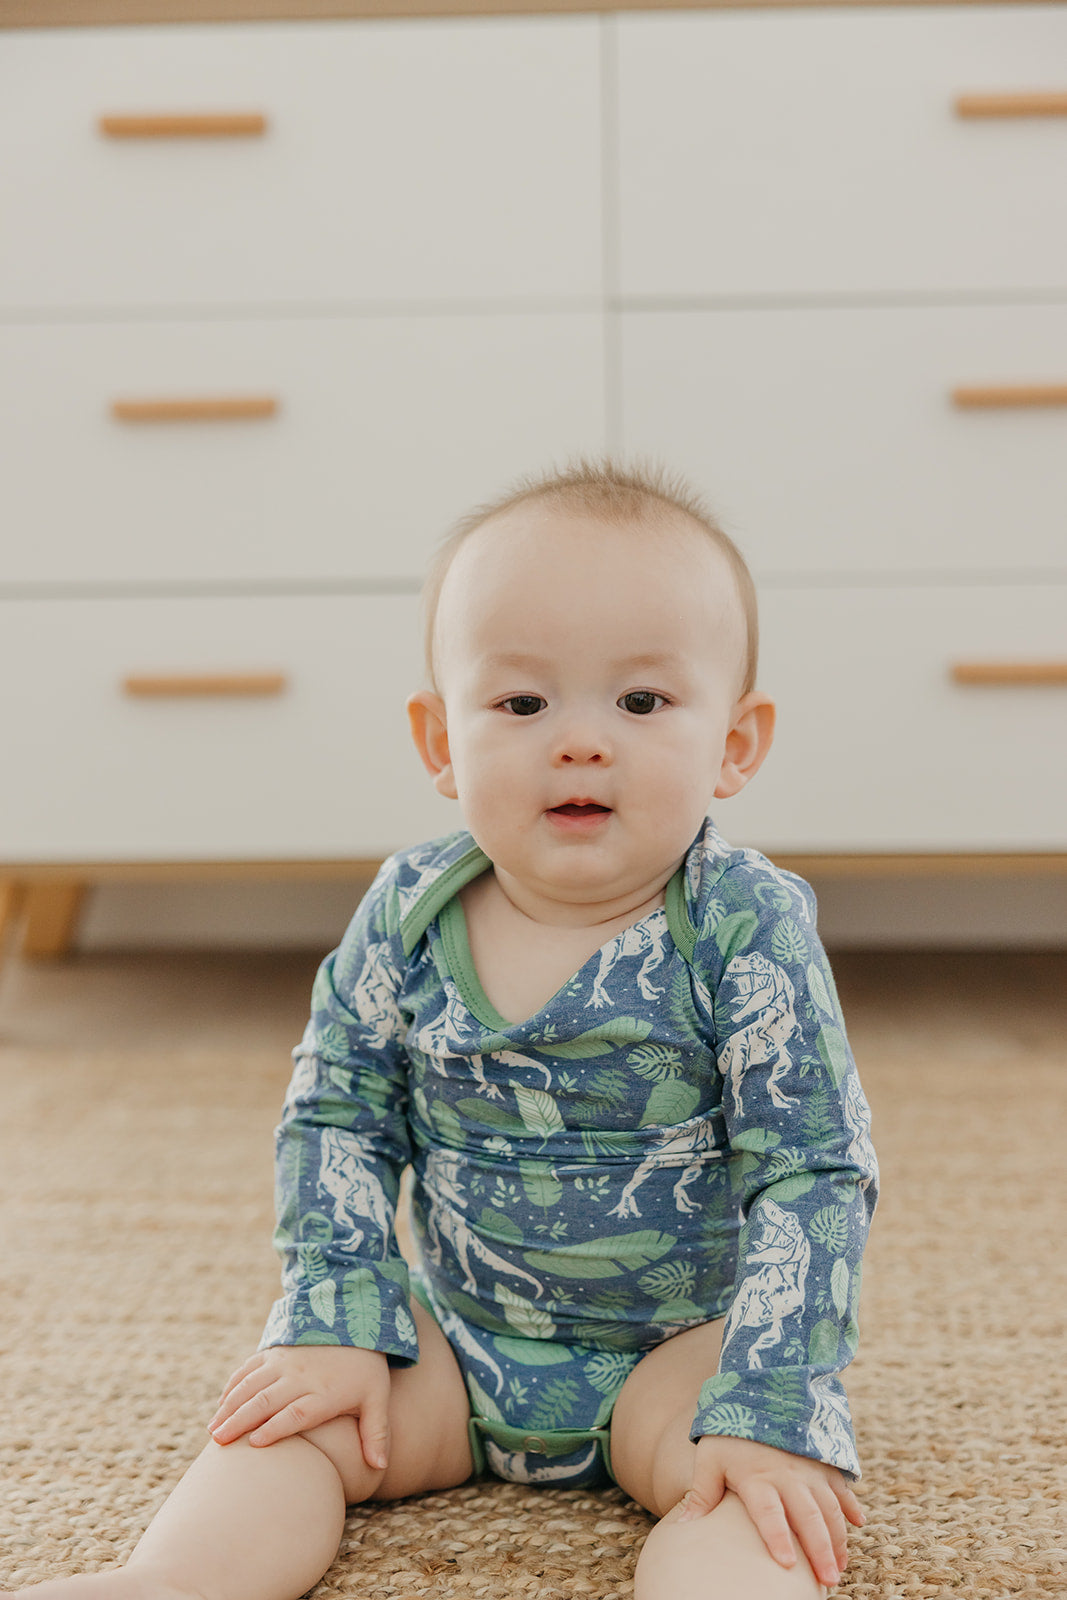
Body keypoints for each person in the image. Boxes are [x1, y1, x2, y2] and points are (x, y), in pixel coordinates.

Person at [7, 460, 877, 1600]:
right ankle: (169, 1581)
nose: (579, 741)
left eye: (640, 702)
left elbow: (811, 1168)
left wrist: (766, 1396)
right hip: (457, 1343)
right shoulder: (408, 912)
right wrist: (336, 1315)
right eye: (521, 704)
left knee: (747, 1490)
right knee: (286, 1422)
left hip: (676, 1349)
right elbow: (337, 1118)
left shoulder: (741, 922)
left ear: (735, 743)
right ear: (437, 740)